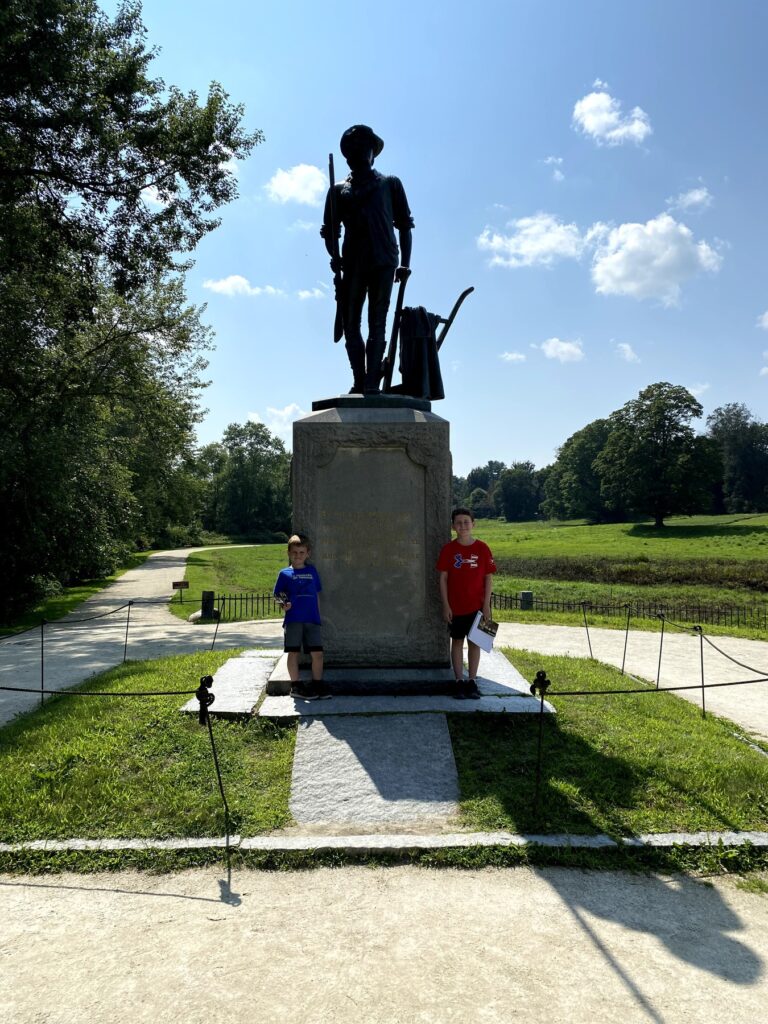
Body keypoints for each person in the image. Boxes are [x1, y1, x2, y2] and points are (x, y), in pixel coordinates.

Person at [321, 124, 414, 395]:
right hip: (352, 264)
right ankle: (359, 380)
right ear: (349, 155)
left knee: (378, 321)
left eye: (366, 147)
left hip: (384, 260)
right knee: (351, 324)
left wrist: (404, 263)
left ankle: (372, 381)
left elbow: (405, 225)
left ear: (373, 153)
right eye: (356, 148)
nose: (362, 152)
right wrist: (334, 256)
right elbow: (329, 231)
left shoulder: (390, 184)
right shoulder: (337, 190)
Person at [436, 508, 497, 699]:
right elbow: (443, 579)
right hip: (456, 607)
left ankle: (472, 681)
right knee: (456, 642)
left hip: (477, 607)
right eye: (458, 522)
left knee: (475, 643)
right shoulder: (448, 549)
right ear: (453, 526)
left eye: (466, 522)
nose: (462, 526)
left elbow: (488, 578)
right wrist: (446, 605)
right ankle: (458, 681)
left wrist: (486, 605)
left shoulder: (482, 548)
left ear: (473, 524)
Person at [273, 534, 330, 700]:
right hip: (293, 620)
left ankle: (317, 684)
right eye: (295, 552)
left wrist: (318, 616)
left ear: (308, 553)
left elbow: (317, 594)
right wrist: (284, 604)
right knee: (293, 653)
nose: (298, 556)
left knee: (317, 654)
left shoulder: (312, 571)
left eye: (301, 552)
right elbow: (277, 595)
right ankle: (296, 686)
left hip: (312, 620)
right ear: (289, 553)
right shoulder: (284, 574)